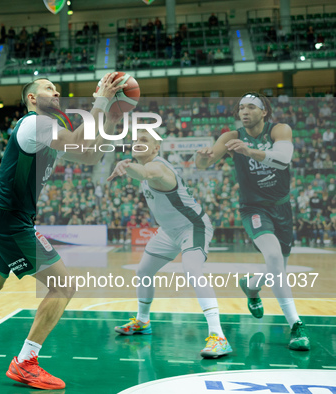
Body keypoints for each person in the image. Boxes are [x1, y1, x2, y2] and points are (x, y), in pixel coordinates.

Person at [0, 74, 126, 390]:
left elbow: (89, 155)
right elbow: (83, 142)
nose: (56, 91)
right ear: (32, 98)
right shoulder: (35, 123)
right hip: (10, 220)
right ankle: (25, 362)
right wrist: (101, 100)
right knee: (63, 286)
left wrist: (110, 122)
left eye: (57, 88)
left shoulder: (47, 131)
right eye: (48, 87)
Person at [196, 92, 310, 351]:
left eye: (250, 107)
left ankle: (251, 285)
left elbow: (283, 160)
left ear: (264, 112)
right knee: (273, 258)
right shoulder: (231, 137)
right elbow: (203, 163)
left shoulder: (279, 130)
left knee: (278, 268)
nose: (244, 112)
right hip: (254, 208)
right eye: (241, 108)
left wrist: (250, 151)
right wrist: (202, 156)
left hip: (283, 208)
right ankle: (296, 326)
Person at [109, 130, 232, 358]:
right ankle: (143, 322)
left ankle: (219, 337)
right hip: (169, 231)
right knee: (144, 270)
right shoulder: (149, 169)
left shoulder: (158, 167)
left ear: (156, 148)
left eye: (144, 140)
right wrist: (129, 167)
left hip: (192, 226)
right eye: (135, 140)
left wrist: (125, 167)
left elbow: (145, 172)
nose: (137, 143)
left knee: (192, 270)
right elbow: (142, 172)